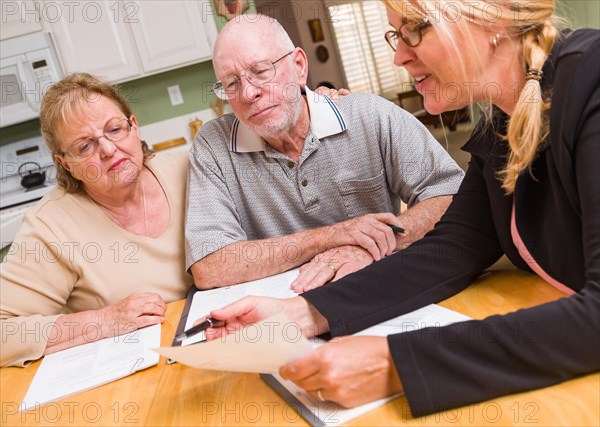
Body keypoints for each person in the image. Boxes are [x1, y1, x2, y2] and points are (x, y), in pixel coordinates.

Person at [204, 0, 600, 417]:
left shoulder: (590, 82)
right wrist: (302, 313)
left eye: (414, 29)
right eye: (397, 34)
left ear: (491, 19)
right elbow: (449, 251)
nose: (399, 55)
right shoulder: (500, 125)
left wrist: (396, 363)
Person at [185, 15, 464, 292]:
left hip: (378, 285)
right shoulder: (213, 146)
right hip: (286, 308)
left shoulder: (369, 115)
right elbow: (209, 266)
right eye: (231, 84)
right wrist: (333, 236)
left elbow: (452, 195)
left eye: (260, 71)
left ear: (299, 65)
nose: (248, 93)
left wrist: (373, 247)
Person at [0, 73, 191, 367]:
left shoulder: (188, 171)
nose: (108, 149)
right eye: (84, 147)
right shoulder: (51, 226)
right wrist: (103, 321)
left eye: (115, 129)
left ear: (135, 127)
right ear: (65, 164)